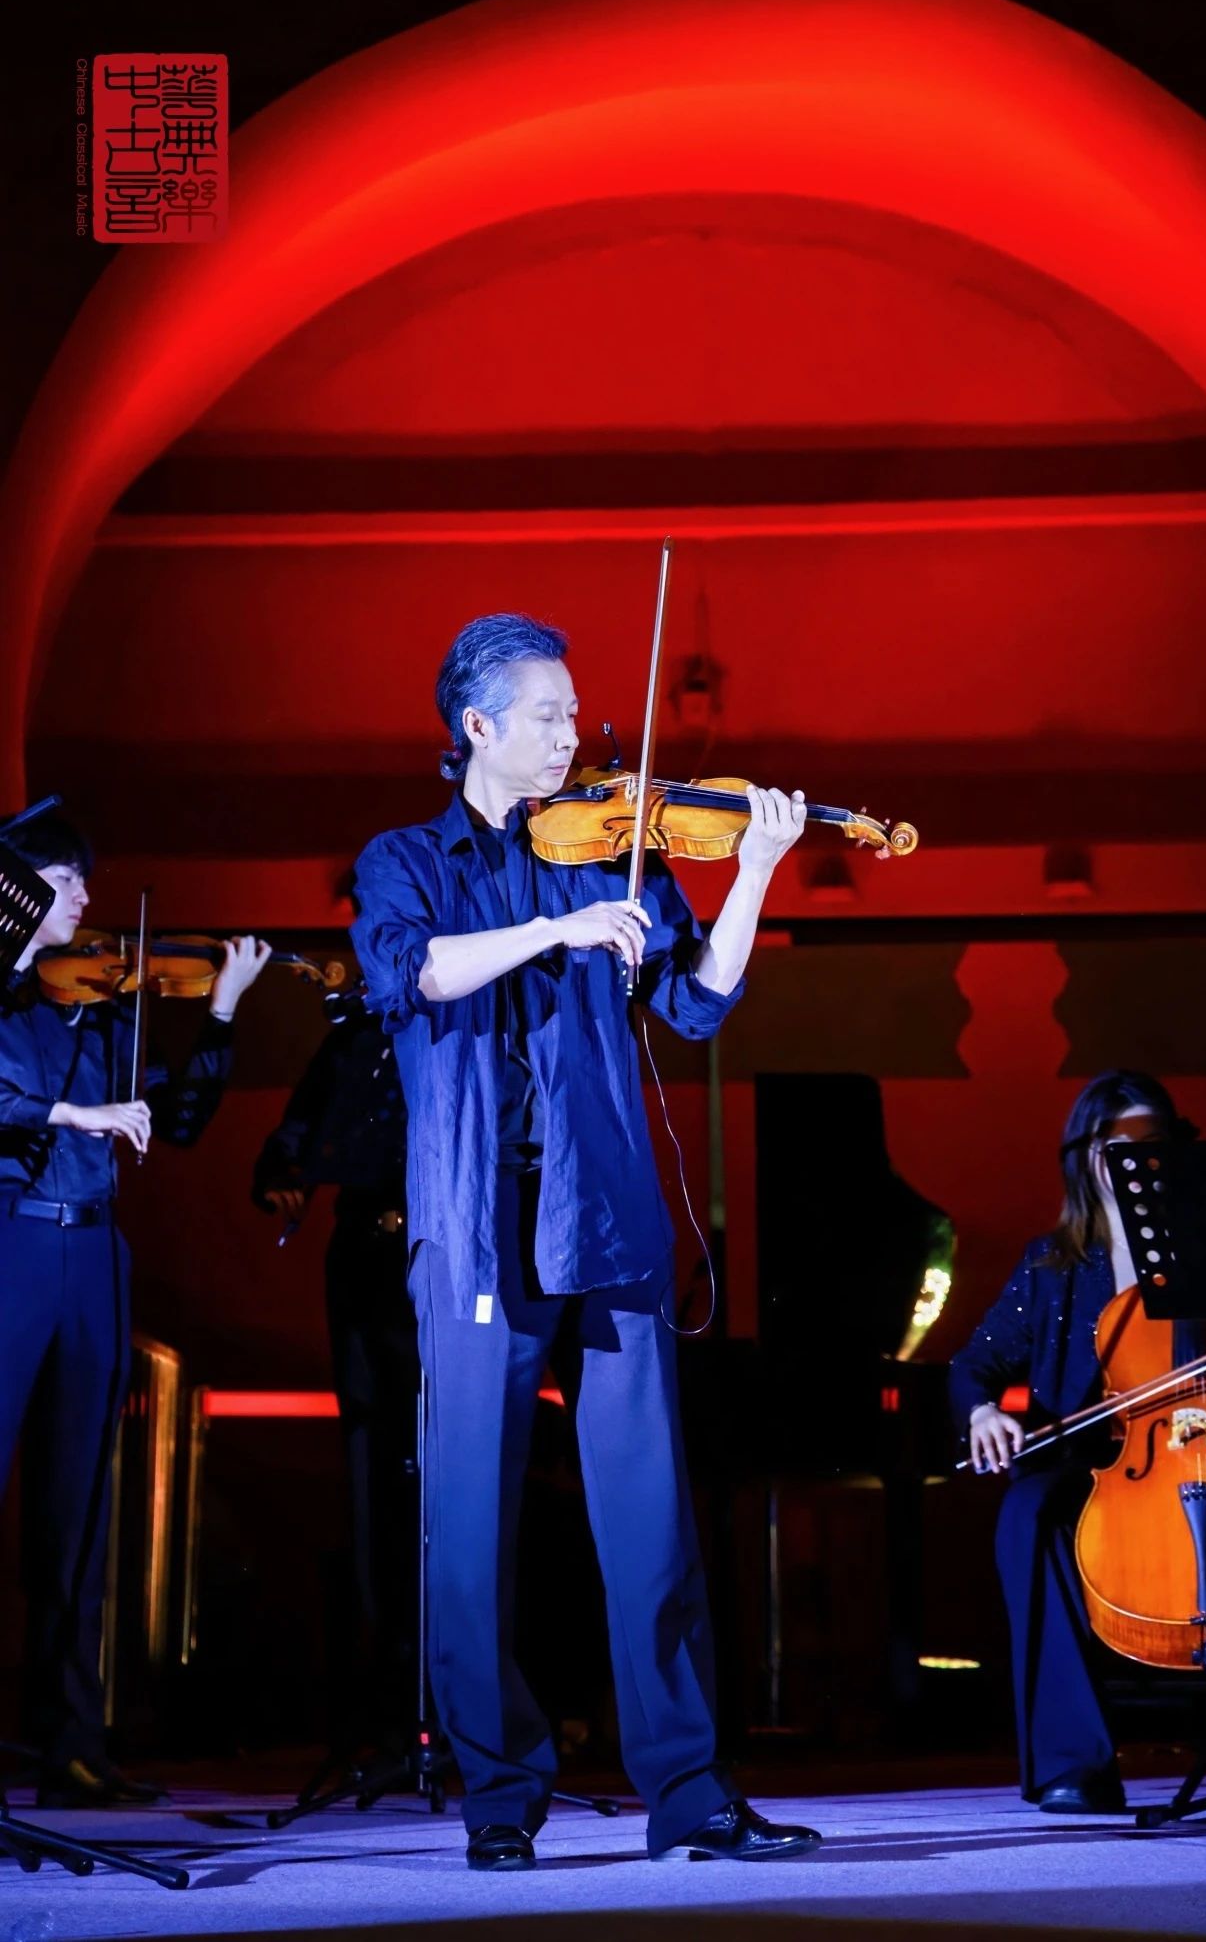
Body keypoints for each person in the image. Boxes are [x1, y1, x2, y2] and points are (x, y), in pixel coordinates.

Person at [351, 612, 821, 1869]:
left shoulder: (612, 849)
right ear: (478, 726)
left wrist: (754, 873)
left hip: (603, 1214)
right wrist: (554, 933)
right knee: (470, 1526)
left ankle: (690, 1793)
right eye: (549, 715)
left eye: (576, 713)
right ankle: (499, 1797)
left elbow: (695, 1003)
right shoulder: (404, 860)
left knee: (650, 1515)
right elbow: (413, 974)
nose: (575, 734)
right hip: (475, 1223)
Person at [0, 813, 270, 1805]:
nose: (83, 897)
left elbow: (181, 1121)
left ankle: (71, 1745)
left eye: (83, 880)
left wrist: (223, 1013)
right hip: (13, 1242)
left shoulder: (108, 1014)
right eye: (63, 880)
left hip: (92, 1251)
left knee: (81, 1508)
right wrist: (69, 1112)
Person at [950, 1069, 1193, 1814]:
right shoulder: (1053, 1266)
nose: (1136, 1157)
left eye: (1154, 1140)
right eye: (1117, 1143)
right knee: (1028, 1512)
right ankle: (1073, 1761)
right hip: (1095, 1464)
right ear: (1086, 1156)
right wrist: (982, 1412)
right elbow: (974, 1364)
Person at [252, 985, 421, 1758]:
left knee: (438, 1469)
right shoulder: (356, 1035)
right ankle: (385, 1697)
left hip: (439, 1259)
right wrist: (281, 1169)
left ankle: (447, 1694)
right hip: (364, 1254)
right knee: (370, 1465)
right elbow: (298, 1125)